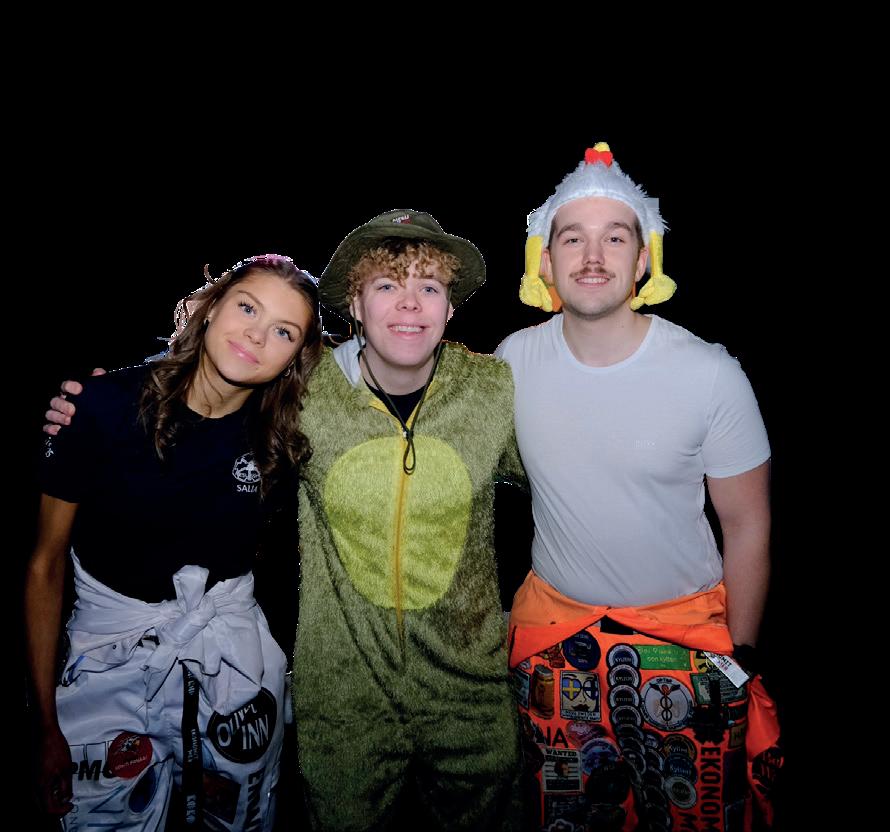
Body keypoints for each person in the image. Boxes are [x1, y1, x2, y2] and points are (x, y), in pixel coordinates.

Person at [43, 213, 527, 832]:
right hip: (337, 698)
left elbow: (567, 472)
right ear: (355, 304)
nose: (409, 303)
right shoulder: (306, 393)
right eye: (386, 284)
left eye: (429, 287)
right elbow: (205, 384)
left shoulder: (492, 390)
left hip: (468, 692)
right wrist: (93, 404)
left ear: (451, 308)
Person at [496, 142, 782, 830]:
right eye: (573, 238)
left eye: (615, 237)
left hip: (685, 649)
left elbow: (748, 525)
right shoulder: (512, 362)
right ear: (545, 261)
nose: (593, 256)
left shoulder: (710, 374)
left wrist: (739, 658)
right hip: (557, 647)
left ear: (644, 259)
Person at [26, 254, 322, 831]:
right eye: (247, 308)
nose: (257, 335)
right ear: (208, 308)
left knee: (238, 820)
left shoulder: (284, 439)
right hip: (107, 654)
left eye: (284, 332)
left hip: (233, 660)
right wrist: (43, 724)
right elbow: (44, 565)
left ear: (296, 356)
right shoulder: (101, 406)